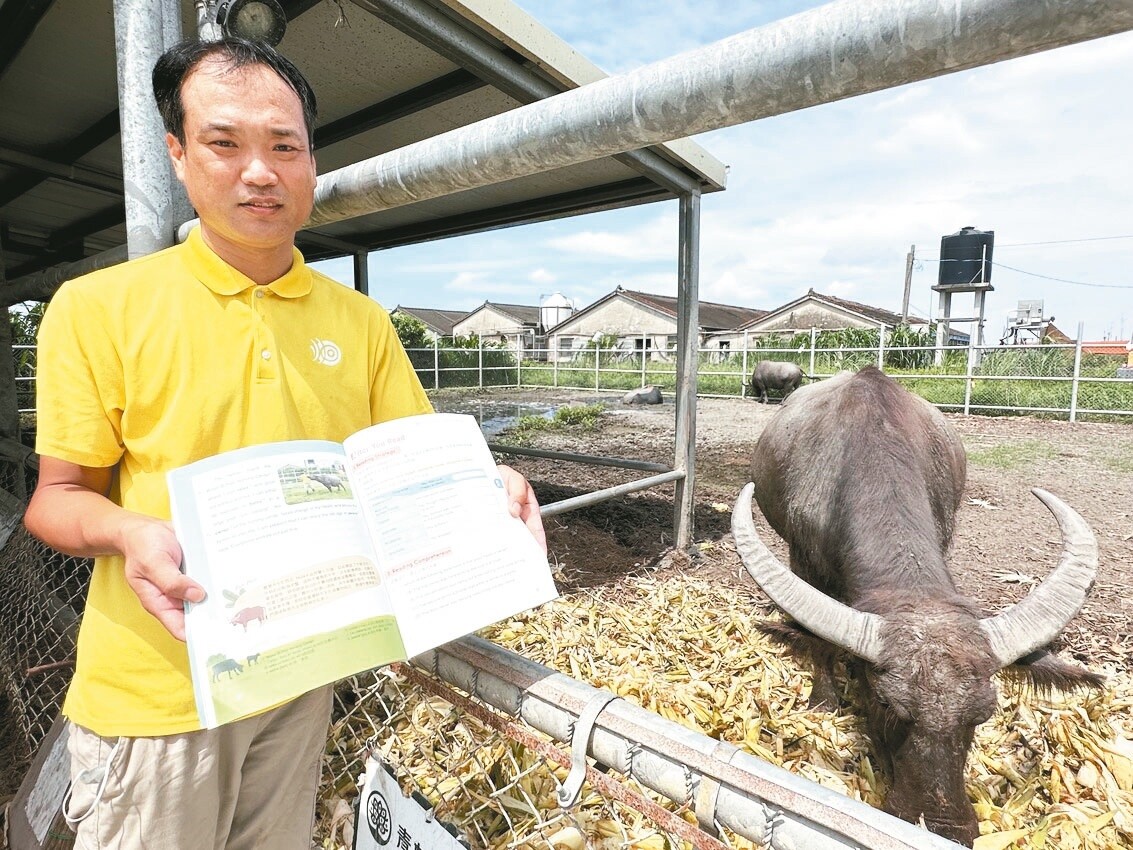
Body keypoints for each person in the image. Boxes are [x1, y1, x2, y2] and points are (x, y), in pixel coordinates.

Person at [24, 36, 545, 850]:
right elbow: (56, 500)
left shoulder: (359, 323)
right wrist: (127, 531)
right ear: (178, 154)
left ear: (310, 161)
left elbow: (415, 473)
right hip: (161, 693)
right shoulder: (98, 308)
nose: (259, 172)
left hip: (304, 673)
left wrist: (489, 488)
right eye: (224, 144)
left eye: (284, 147)